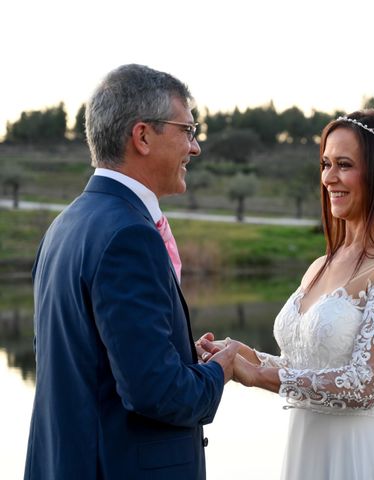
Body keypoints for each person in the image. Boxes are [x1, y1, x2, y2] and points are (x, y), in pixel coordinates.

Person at [201, 110, 374, 479]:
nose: (329, 178)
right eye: (325, 164)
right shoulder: (321, 264)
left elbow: (363, 384)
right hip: (308, 454)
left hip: (363, 458)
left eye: (344, 165)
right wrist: (238, 354)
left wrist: (259, 377)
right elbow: (303, 368)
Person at [24, 64, 239, 480]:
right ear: (142, 136)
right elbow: (155, 393)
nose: (194, 148)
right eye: (187, 130)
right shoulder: (130, 236)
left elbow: (92, 362)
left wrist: (176, 355)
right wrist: (219, 370)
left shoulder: (64, 226)